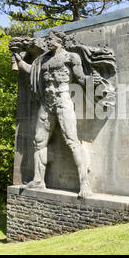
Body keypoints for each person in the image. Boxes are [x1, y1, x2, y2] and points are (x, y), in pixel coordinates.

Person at [13, 31, 93, 198]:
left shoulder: (71, 57)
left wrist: (95, 84)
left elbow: (80, 78)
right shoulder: (43, 60)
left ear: (59, 40)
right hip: (47, 102)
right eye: (47, 39)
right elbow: (31, 71)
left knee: (72, 140)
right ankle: (38, 179)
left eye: (50, 39)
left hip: (63, 100)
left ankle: (84, 184)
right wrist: (19, 61)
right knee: (39, 140)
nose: (47, 42)